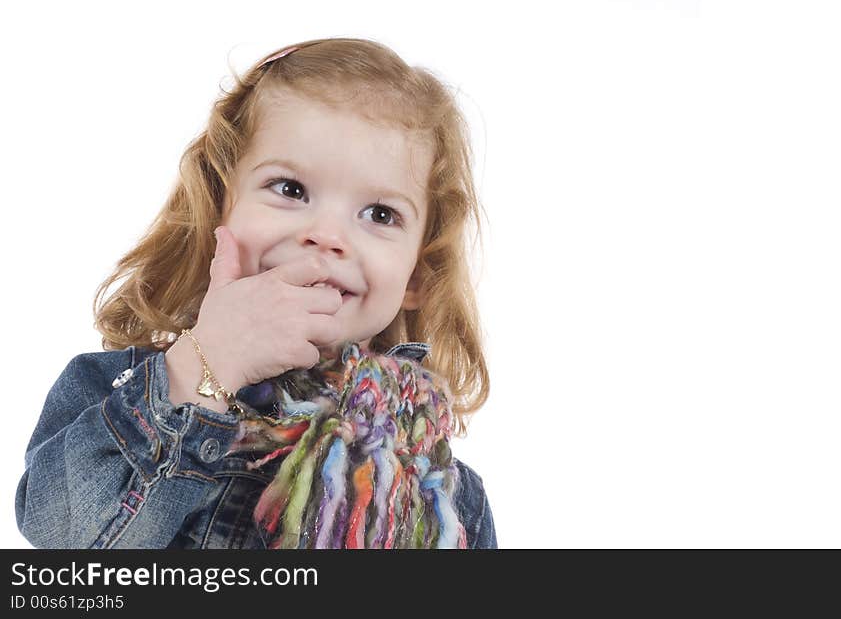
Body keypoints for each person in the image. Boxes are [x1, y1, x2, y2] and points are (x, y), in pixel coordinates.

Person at [15, 38, 496, 549]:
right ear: (217, 210)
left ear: (418, 276)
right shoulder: (115, 391)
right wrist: (207, 365)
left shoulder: (450, 499)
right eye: (290, 189)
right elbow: (66, 546)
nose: (328, 236)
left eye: (379, 214)